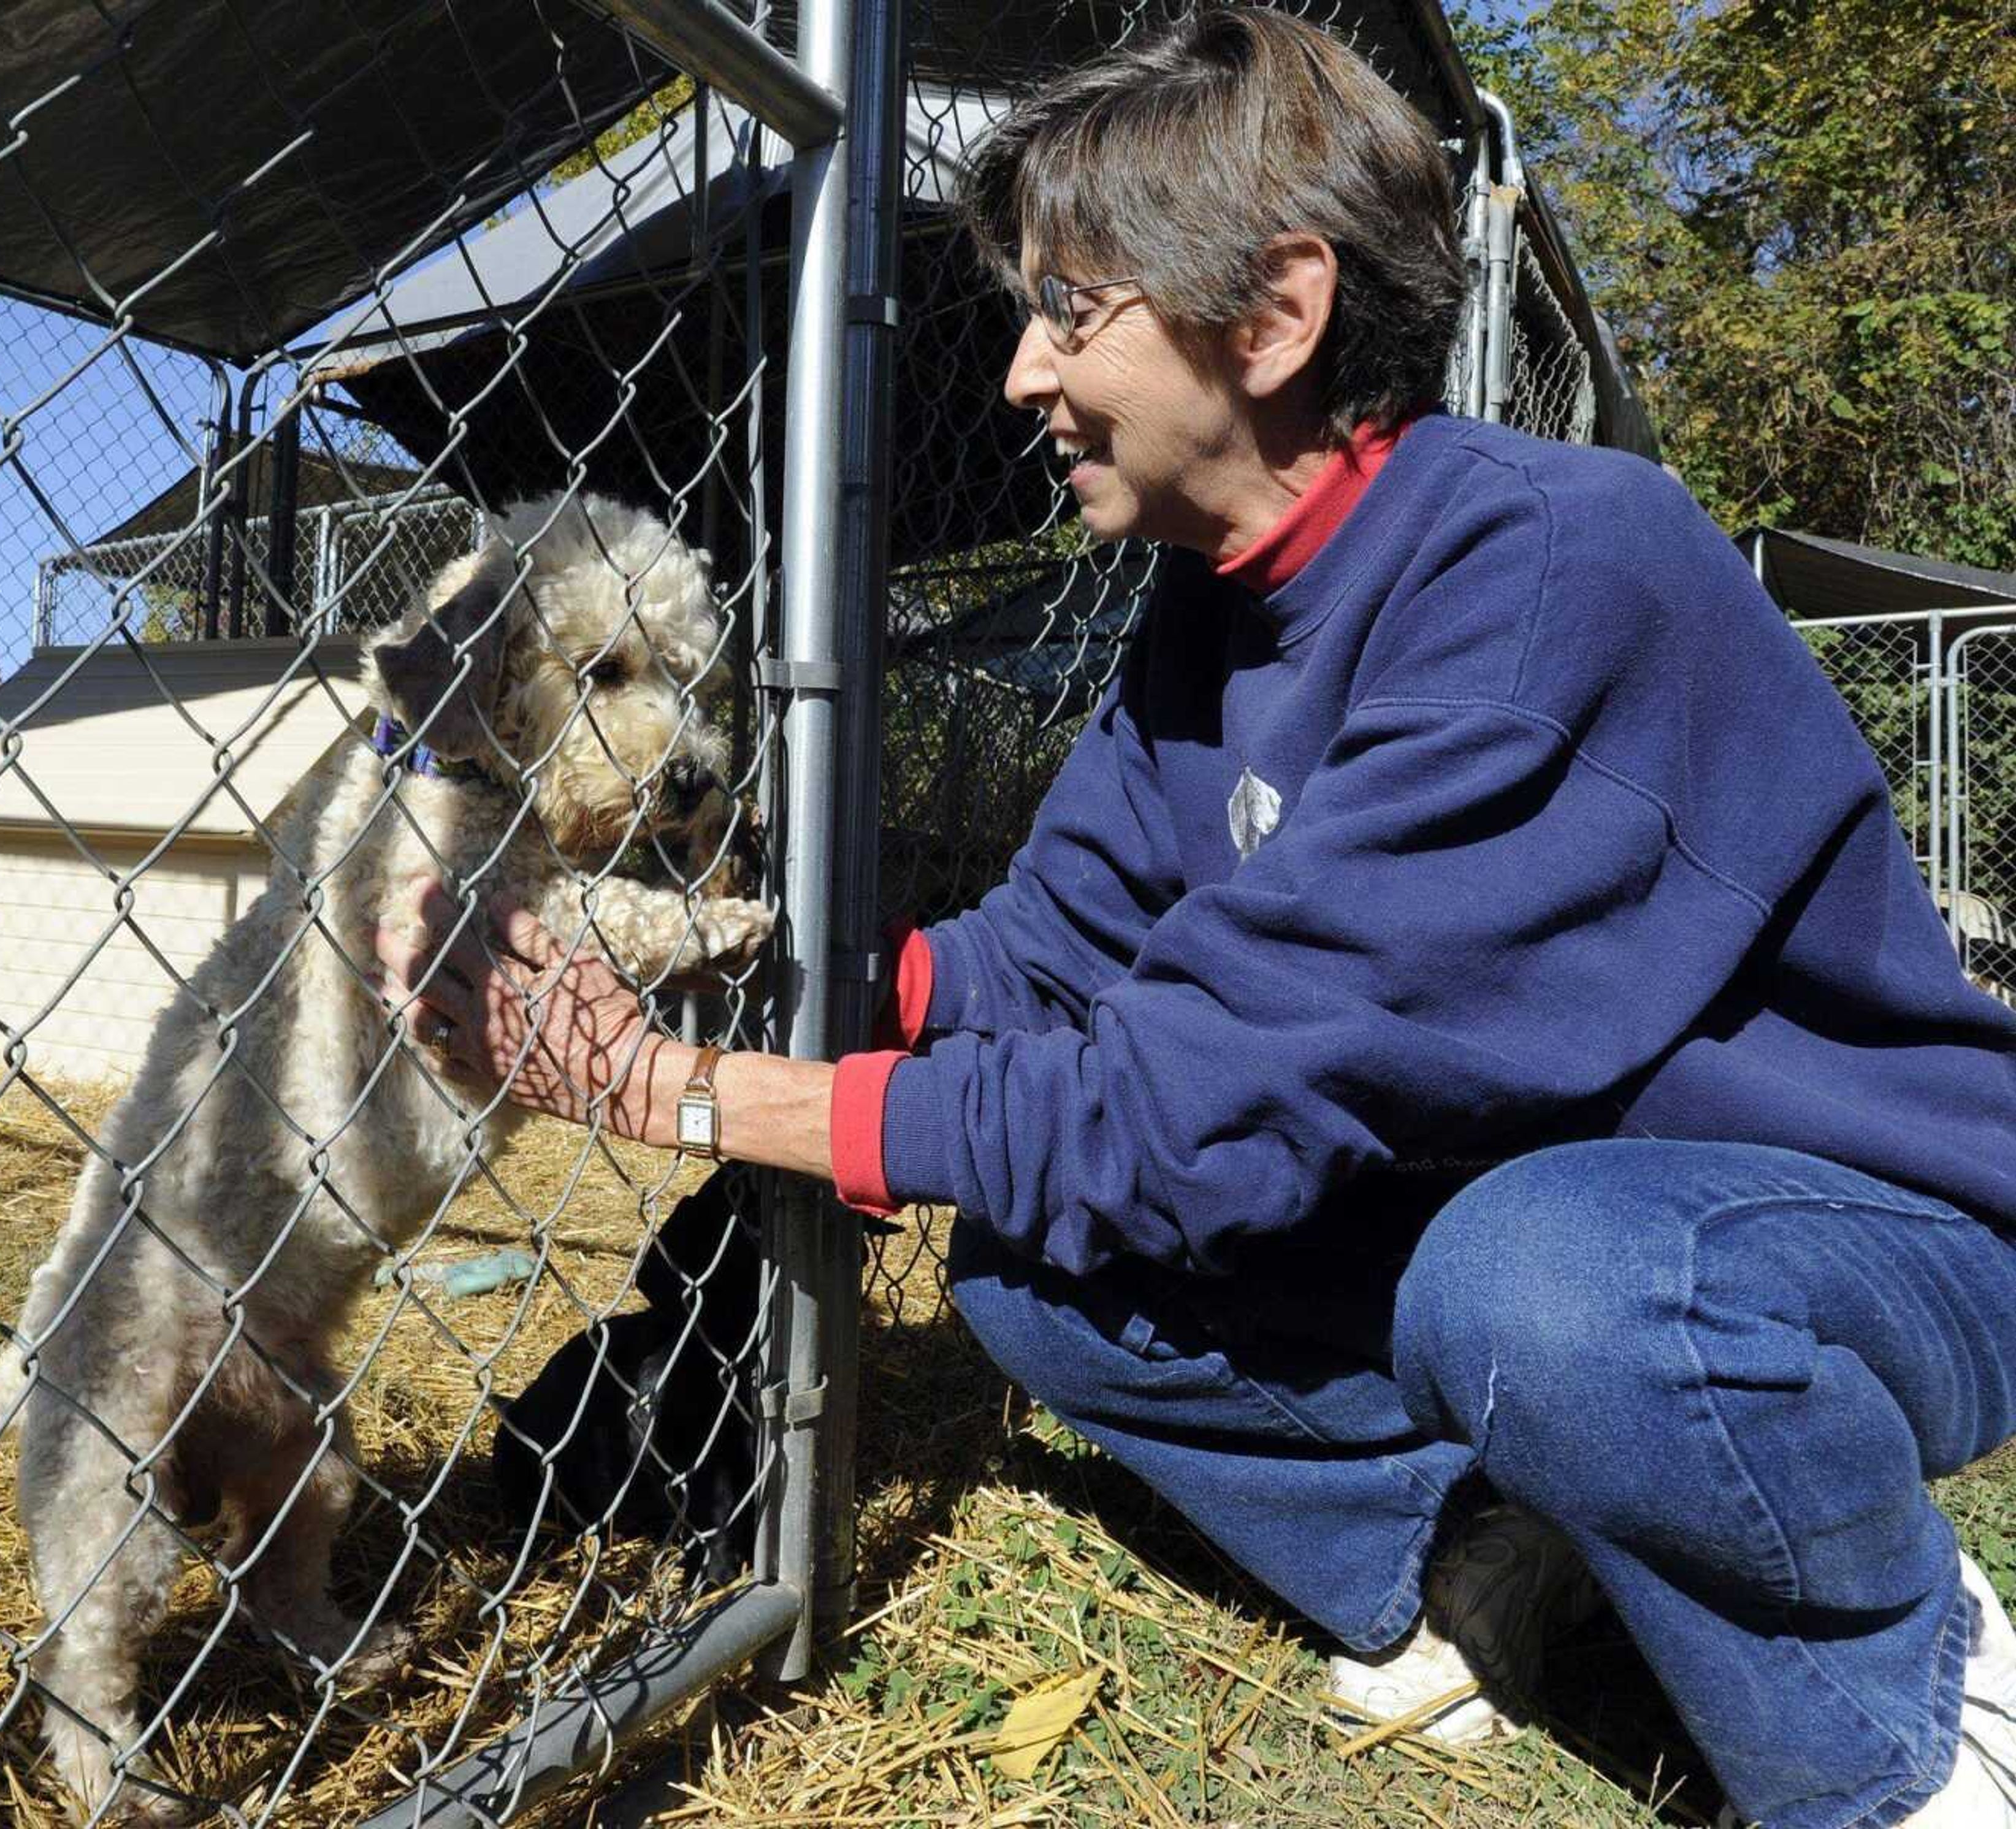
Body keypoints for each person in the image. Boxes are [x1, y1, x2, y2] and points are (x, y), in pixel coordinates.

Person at [375, 9, 2016, 1825]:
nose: (1018, 377)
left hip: (1859, 1230)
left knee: (1541, 1283)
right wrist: (719, 953)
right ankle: (1500, 1523)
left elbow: (1181, 1106)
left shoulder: (1552, 577)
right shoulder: (1205, 613)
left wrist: (673, 1093)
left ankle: (1914, 1710)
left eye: (1070, 311)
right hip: (1524, 1193)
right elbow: (1037, 962)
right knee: (1039, 1271)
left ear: (1277, 313)